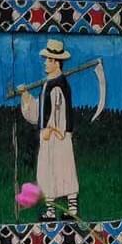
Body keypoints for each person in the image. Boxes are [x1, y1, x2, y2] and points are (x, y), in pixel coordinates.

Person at [19, 39, 79, 220]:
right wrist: (26, 97)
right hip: (48, 136)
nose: (45, 62)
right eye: (45, 59)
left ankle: (73, 210)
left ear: (55, 62)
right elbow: (41, 111)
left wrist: (51, 129)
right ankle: (51, 211)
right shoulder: (48, 83)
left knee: (64, 170)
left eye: (48, 60)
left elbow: (58, 112)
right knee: (47, 171)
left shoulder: (59, 85)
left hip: (58, 137)